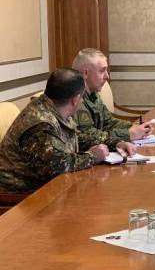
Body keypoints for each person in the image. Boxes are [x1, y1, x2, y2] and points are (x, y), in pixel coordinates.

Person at [0, 69, 131, 194]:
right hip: (23, 197)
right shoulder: (41, 125)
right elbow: (58, 167)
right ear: (75, 100)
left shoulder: (53, 108)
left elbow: (77, 137)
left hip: (48, 187)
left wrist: (115, 143)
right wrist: (93, 156)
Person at [72, 48, 153, 148]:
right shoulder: (75, 98)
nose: (107, 76)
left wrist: (135, 127)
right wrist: (129, 134)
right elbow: (88, 137)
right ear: (86, 73)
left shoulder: (93, 94)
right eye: (102, 71)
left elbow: (108, 122)